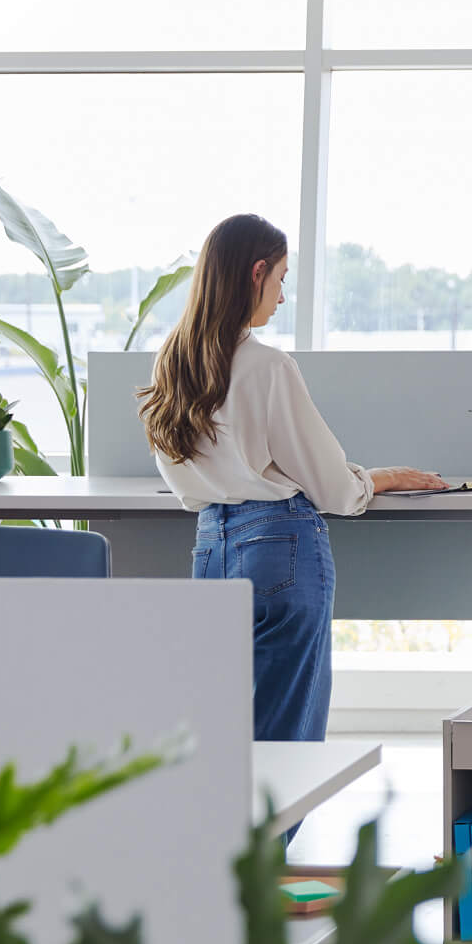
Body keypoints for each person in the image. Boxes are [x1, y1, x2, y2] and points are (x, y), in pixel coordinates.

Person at [139, 213, 443, 744]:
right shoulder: (267, 366)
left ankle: (226, 832)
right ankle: (265, 833)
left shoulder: (172, 363)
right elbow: (334, 488)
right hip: (280, 548)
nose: (281, 297)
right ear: (257, 272)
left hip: (210, 548)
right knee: (282, 749)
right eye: (281, 278)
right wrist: (381, 478)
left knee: (224, 745)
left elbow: (184, 480)